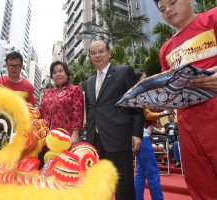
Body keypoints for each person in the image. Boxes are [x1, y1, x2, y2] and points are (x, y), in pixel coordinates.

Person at [154, 0, 217, 198]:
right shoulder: (165, 49)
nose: (168, 10)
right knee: (200, 184)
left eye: (172, 2)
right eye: (162, 9)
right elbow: (169, 86)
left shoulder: (212, 18)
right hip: (187, 123)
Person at [84, 40, 144, 200]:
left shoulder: (123, 72)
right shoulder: (88, 82)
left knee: (123, 186)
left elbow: (136, 104)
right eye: (93, 53)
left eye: (101, 51)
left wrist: (137, 133)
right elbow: (90, 110)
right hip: (94, 140)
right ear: (90, 56)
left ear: (109, 53)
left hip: (118, 138)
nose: (97, 55)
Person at [134, 70, 171, 200]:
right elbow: (148, 115)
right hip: (143, 139)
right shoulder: (140, 95)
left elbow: (152, 110)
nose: (147, 79)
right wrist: (165, 112)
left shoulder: (139, 95)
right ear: (138, 81)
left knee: (140, 173)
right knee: (153, 173)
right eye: (144, 78)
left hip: (141, 137)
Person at [39, 60, 84, 144]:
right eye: (54, 72)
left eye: (60, 71)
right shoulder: (48, 92)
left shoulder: (75, 90)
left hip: (65, 137)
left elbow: (77, 113)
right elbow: (41, 112)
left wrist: (75, 134)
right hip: (45, 137)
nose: (57, 74)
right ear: (52, 76)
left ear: (66, 73)